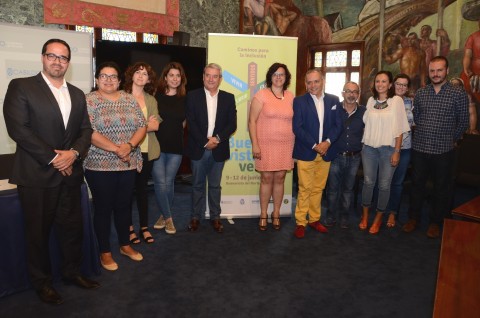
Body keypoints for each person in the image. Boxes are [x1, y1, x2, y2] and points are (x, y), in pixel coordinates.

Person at [3, 38, 99, 305]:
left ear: (69, 62)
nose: (58, 61)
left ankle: (72, 273)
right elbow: (19, 130)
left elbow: (85, 131)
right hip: (36, 176)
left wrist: (74, 154)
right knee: (37, 234)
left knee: (72, 230)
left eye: (63, 57)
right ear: (43, 57)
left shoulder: (78, 94)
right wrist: (55, 159)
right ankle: (42, 283)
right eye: (52, 56)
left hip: (70, 175)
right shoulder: (21, 86)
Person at [84, 61, 147, 270]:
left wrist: (128, 146)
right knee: (103, 209)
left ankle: (124, 245)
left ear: (119, 80)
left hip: (128, 164)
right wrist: (117, 149)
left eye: (113, 76)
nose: (108, 80)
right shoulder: (89, 101)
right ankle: (104, 251)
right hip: (99, 166)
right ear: (97, 79)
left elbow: (142, 126)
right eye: (104, 76)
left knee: (123, 207)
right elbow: (88, 132)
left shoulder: (129, 99)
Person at [403, 56, 469, 238]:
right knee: (417, 186)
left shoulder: (458, 93)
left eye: (439, 70)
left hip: (444, 151)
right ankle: (413, 218)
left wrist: (451, 139)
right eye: (432, 71)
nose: (435, 74)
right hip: (420, 148)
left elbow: (463, 122)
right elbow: (417, 117)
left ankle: (435, 222)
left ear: (447, 71)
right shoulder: (422, 93)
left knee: (442, 188)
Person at [185, 63, 237, 233]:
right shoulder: (192, 96)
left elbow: (232, 124)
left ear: (220, 79)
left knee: (215, 186)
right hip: (199, 148)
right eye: (208, 75)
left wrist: (217, 139)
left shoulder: (229, 98)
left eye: (215, 76)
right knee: (197, 185)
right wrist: (205, 142)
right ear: (203, 76)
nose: (211, 79)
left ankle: (215, 217)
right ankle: (195, 217)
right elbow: (190, 123)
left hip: (219, 149)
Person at [291, 68, 341, 238]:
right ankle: (300, 222)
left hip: (326, 152)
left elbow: (337, 126)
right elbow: (297, 127)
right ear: (305, 84)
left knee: (318, 188)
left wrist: (327, 143)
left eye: (316, 81)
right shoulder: (299, 101)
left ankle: (314, 219)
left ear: (323, 81)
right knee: (305, 188)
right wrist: (315, 145)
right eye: (309, 82)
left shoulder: (334, 100)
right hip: (307, 151)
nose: (313, 85)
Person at [360, 71, 410, 235]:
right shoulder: (370, 101)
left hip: (388, 149)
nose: (380, 84)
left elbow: (400, 128)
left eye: (384, 81)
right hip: (369, 148)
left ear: (390, 85)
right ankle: (365, 215)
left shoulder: (396, 101)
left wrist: (397, 151)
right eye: (377, 81)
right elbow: (366, 124)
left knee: (384, 185)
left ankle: (378, 217)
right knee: (368, 183)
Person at [249, 62, 295, 231]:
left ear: (286, 77)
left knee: (280, 178)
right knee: (266, 178)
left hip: (286, 144)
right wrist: (255, 144)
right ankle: (263, 214)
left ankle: (276, 213)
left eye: (281, 74)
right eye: (275, 74)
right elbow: (252, 121)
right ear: (270, 77)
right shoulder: (261, 95)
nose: (278, 77)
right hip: (265, 144)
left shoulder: (291, 96)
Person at [124, 62, 161, 244]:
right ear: (131, 75)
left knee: (142, 190)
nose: (141, 76)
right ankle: (129, 228)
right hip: (126, 151)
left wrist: (138, 128)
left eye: (145, 74)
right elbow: (121, 127)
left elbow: (156, 125)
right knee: (127, 191)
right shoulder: (121, 97)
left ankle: (144, 227)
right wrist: (145, 126)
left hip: (146, 151)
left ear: (148, 79)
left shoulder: (151, 100)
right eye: (138, 72)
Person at [152, 62, 188, 235]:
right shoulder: (155, 97)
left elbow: (183, 123)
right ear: (165, 77)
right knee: (160, 183)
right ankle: (168, 218)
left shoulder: (185, 99)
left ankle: (163, 216)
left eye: (178, 75)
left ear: (181, 79)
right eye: (171, 75)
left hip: (176, 147)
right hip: (157, 146)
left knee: (169, 182)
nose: (174, 78)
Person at [324, 81, 365, 229]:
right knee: (333, 189)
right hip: (336, 155)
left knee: (348, 190)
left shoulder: (364, 112)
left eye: (354, 92)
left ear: (358, 94)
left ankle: (344, 217)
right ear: (343, 93)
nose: (351, 94)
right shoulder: (334, 110)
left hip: (355, 157)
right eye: (348, 91)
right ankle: (330, 215)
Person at [384, 74, 415, 226]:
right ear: (392, 85)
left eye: (404, 85)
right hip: (387, 147)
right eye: (398, 84)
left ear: (408, 88)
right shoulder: (386, 101)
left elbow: (414, 123)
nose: (401, 87)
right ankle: (380, 209)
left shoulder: (412, 102)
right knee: (384, 181)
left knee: (397, 183)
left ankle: (392, 213)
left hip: (405, 149)